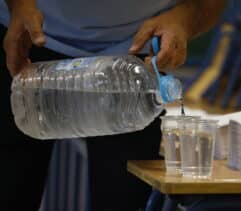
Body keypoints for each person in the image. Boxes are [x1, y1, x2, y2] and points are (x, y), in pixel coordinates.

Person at [0, 0, 225, 210]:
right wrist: (18, 6)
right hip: (27, 34)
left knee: (126, 197)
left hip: (136, 55)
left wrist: (183, 20)